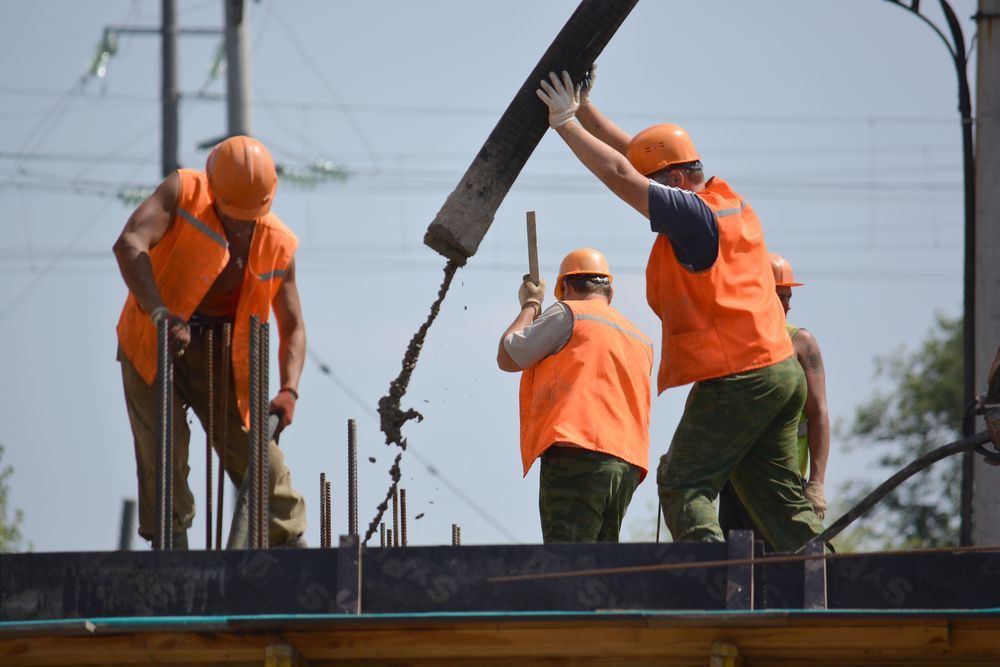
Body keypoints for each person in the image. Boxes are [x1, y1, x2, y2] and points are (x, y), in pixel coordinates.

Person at [535, 68, 825, 551]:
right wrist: (584, 109)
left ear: (675, 180)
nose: (649, 201)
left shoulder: (692, 216)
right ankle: (830, 577)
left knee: (682, 482)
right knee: (776, 501)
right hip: (778, 371)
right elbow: (633, 157)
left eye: (656, 188)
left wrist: (565, 125)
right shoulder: (723, 203)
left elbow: (620, 173)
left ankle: (711, 578)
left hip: (740, 374)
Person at [113, 135, 307, 548]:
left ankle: (299, 564)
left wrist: (289, 389)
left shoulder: (278, 244)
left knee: (265, 471)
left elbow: (293, 328)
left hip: (222, 355)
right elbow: (129, 243)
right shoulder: (182, 191)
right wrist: (161, 313)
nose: (239, 225)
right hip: (154, 340)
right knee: (163, 461)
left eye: (249, 218)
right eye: (232, 215)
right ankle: (176, 564)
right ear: (213, 189)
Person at [497, 248, 653, 543]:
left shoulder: (567, 313)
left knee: (568, 559)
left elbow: (508, 355)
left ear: (566, 287)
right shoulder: (640, 338)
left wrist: (531, 304)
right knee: (601, 563)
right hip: (626, 465)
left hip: (579, 455)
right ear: (610, 291)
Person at [719, 253, 830, 544]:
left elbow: (818, 413)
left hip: (783, 483)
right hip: (734, 482)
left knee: (789, 561)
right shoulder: (731, 343)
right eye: (780, 296)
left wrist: (816, 484)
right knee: (736, 564)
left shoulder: (800, 343)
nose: (788, 305)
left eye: (789, 296)